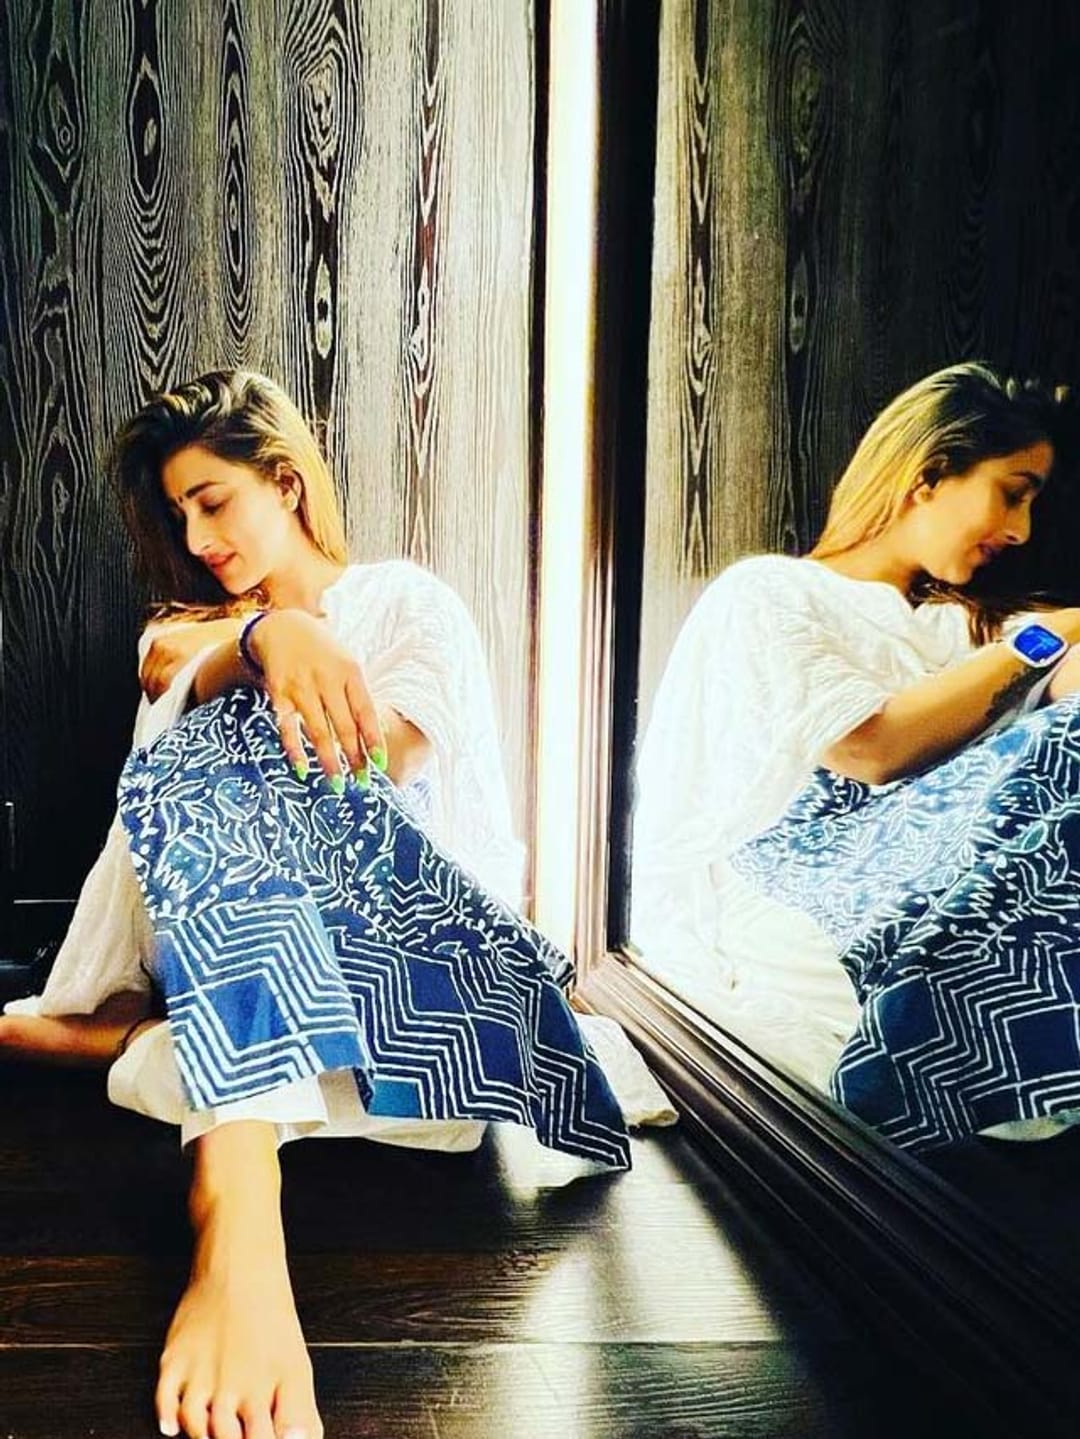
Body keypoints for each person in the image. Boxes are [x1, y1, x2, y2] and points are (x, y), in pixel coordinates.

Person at [0, 370, 671, 1439]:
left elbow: (370, 776)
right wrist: (261, 640)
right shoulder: (182, 626)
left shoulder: (406, 600)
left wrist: (293, 646)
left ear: (284, 481)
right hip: (235, 957)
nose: (198, 536)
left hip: (406, 973)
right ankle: (239, 1201)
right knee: (218, 734)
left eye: (213, 500)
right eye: (179, 515)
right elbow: (167, 681)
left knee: (252, 748)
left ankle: (183, 1119)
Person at [634, 361, 1080, 1154]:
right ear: (928, 475)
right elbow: (871, 747)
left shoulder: (969, 625)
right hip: (812, 870)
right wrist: (1049, 638)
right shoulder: (771, 593)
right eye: (1013, 492)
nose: (1021, 530)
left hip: (963, 873)